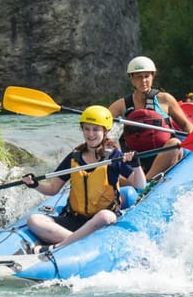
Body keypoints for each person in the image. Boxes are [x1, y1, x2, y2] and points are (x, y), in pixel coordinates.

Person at [22, 105, 145, 253]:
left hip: (101, 222)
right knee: (33, 220)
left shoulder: (114, 156)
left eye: (95, 129)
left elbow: (140, 185)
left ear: (105, 131)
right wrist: (35, 184)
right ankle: (78, 242)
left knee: (105, 216)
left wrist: (136, 165)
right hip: (74, 220)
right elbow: (53, 189)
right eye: (86, 129)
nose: (90, 134)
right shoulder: (75, 157)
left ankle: (58, 247)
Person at [109, 55, 193, 179]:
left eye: (147, 76)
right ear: (131, 78)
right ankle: (139, 180)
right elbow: (101, 126)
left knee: (175, 144)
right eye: (139, 77)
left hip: (164, 154)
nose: (143, 81)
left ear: (152, 76)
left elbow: (186, 125)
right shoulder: (121, 105)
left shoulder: (165, 99)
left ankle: (146, 182)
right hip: (134, 158)